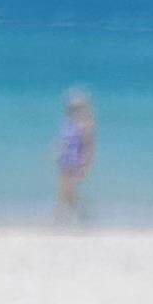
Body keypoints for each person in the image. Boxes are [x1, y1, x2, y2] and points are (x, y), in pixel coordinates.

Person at [54, 89, 97, 221]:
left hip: (76, 162)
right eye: (71, 108)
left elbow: (89, 146)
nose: (73, 110)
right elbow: (64, 141)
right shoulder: (69, 123)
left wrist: (86, 163)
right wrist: (55, 150)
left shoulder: (86, 124)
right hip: (65, 161)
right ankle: (77, 217)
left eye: (76, 108)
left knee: (69, 191)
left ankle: (64, 219)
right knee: (64, 192)